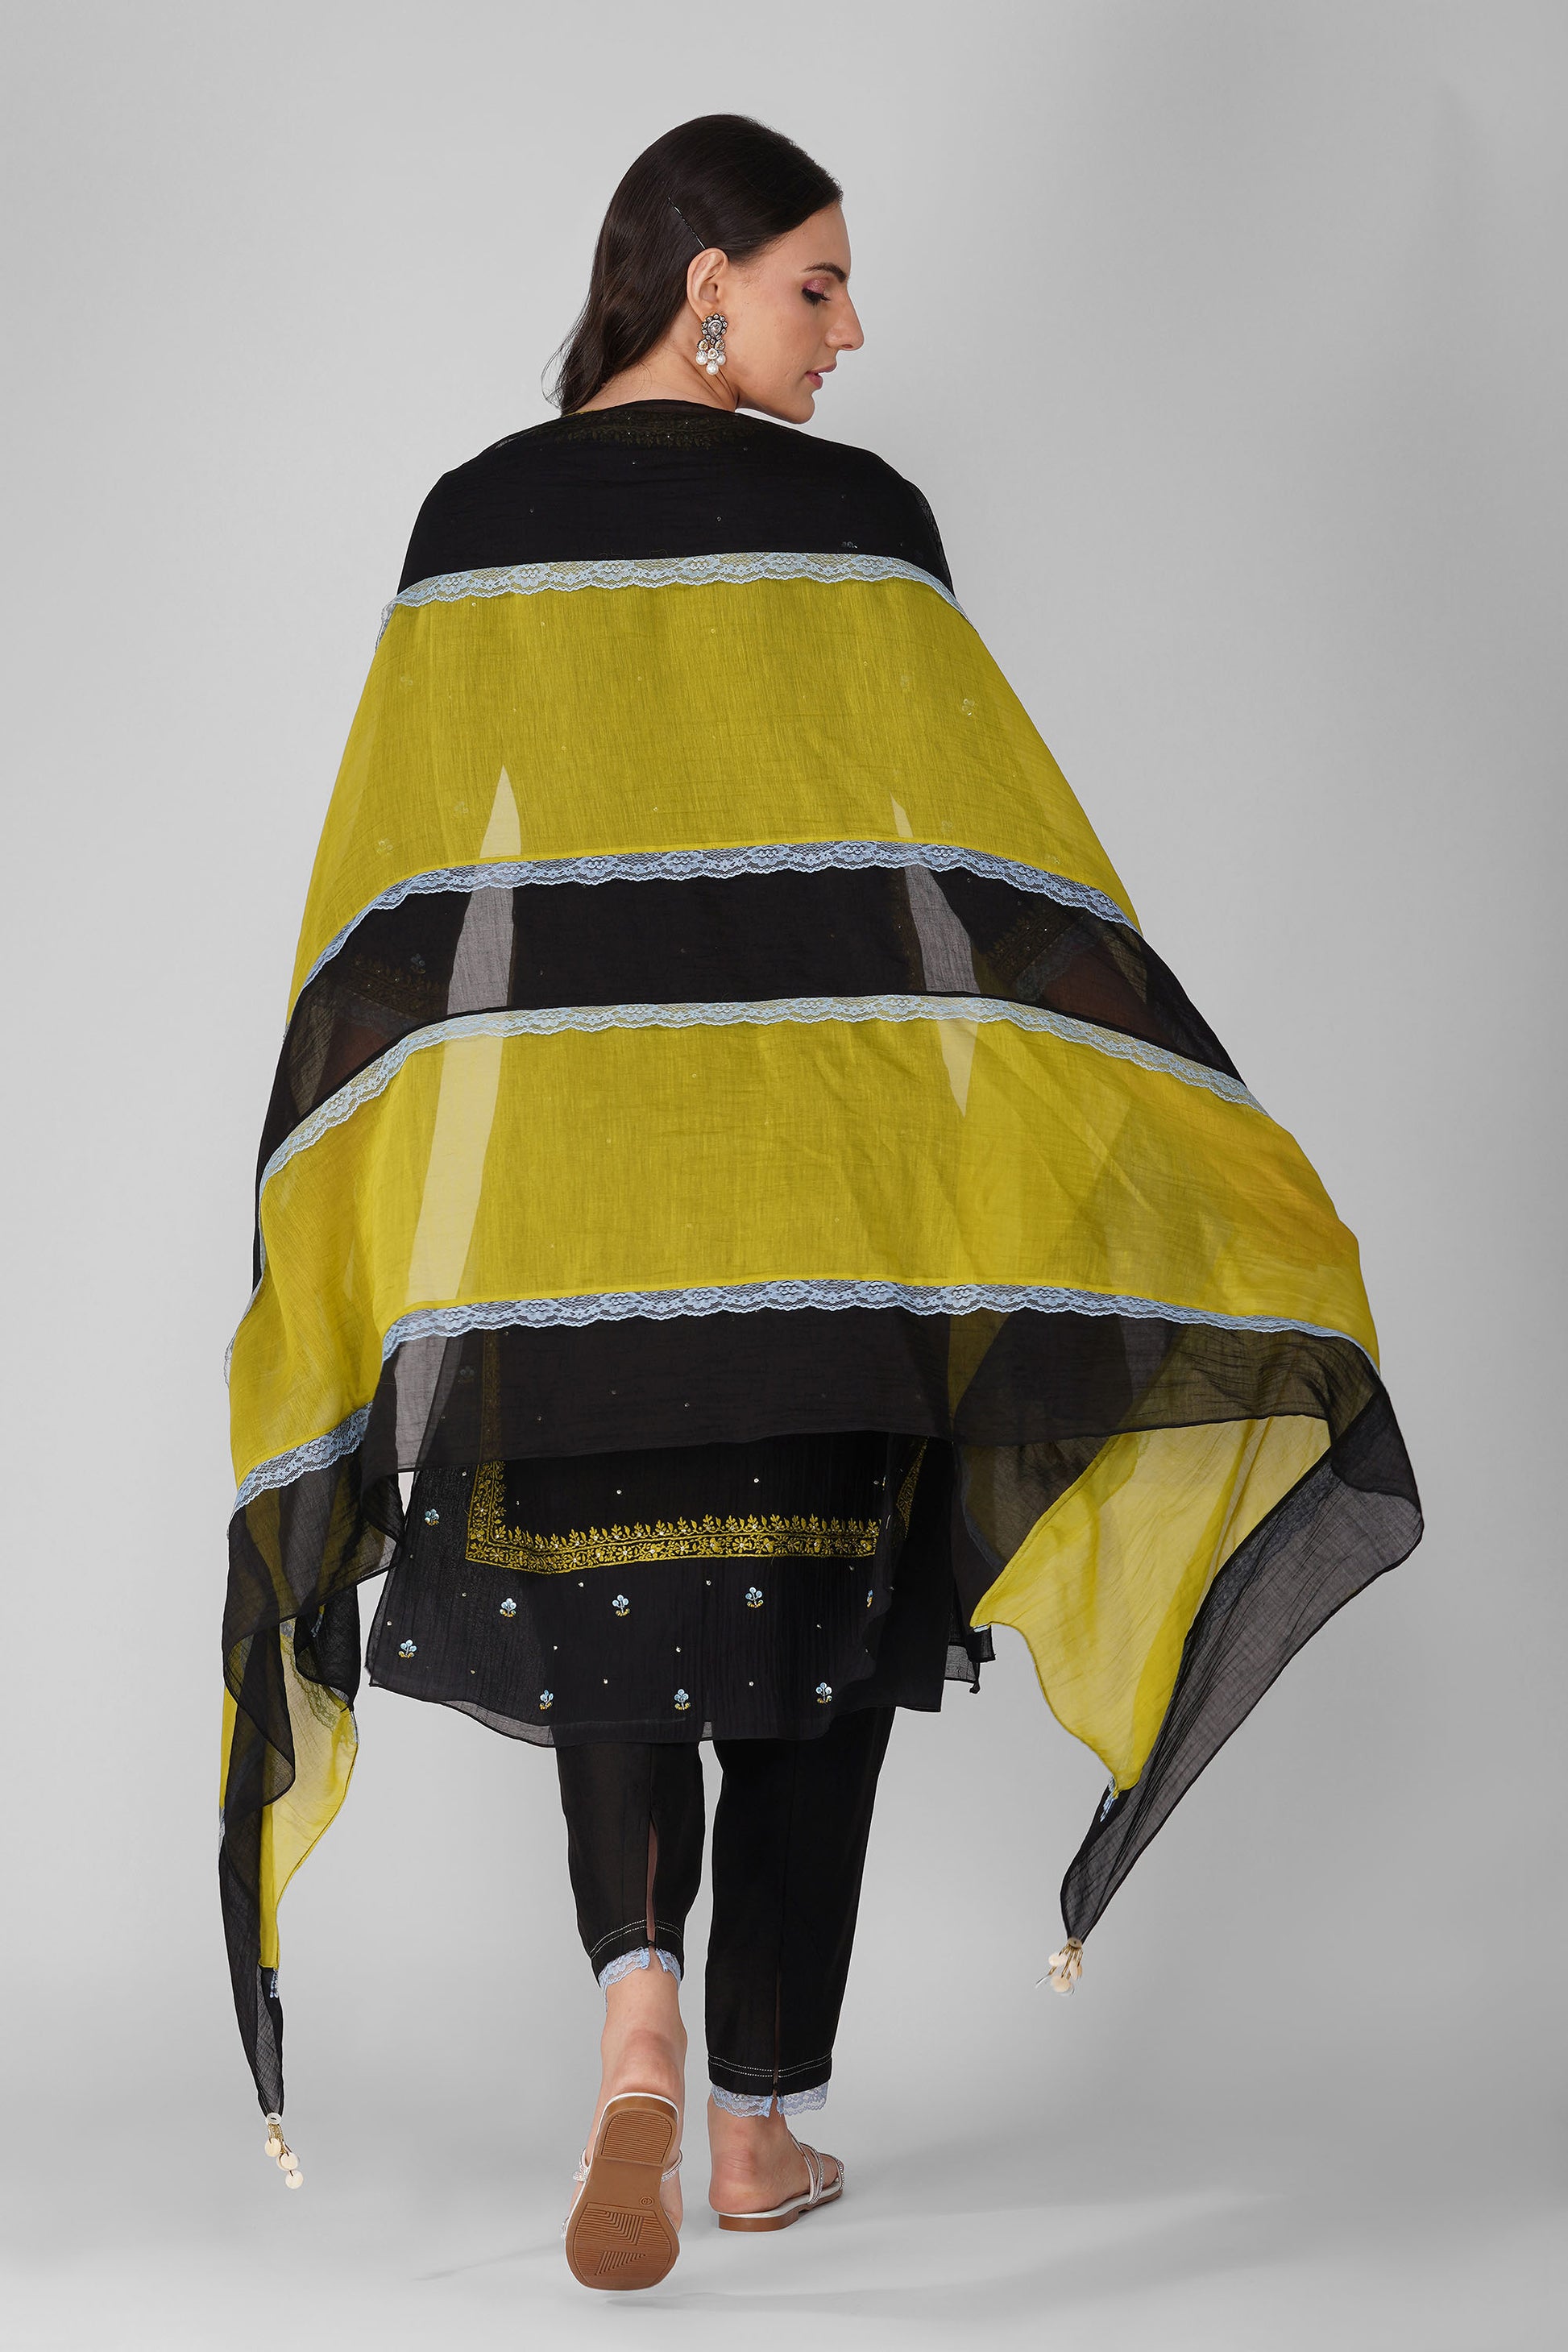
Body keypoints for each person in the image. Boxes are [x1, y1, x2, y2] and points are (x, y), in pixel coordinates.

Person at [221, 113, 1422, 2291]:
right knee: (811, 1655)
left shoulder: (475, 529)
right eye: (816, 283)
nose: (851, 331)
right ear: (701, 284)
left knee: (613, 1627)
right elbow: (985, 878)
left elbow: (400, 914)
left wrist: (356, 1190)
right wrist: (1168, 1099)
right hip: (833, 1204)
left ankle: (636, 2018)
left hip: (566, 1229)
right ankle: (757, 2135)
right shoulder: (860, 528)